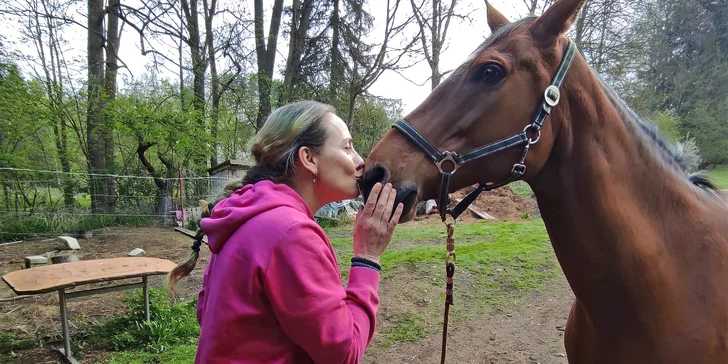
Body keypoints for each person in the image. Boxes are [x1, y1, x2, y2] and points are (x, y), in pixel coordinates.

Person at [166, 100, 404, 364]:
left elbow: (206, 312)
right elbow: (343, 352)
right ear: (308, 159)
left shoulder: (246, 213)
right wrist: (368, 257)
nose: (360, 161)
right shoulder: (290, 231)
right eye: (347, 147)